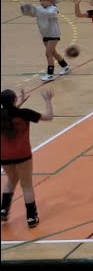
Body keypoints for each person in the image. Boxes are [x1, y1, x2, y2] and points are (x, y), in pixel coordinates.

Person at [1, 87, 53, 228]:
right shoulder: (25, 114)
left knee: (11, 180)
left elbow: (8, 114)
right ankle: (31, 218)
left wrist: (18, 103)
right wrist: (48, 101)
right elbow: (48, 116)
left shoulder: (3, 115)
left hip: (4, 156)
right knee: (27, 186)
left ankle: (3, 210)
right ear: (14, 99)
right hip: (22, 155)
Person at [21, 0, 70, 82]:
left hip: (53, 34)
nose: (41, 2)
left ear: (50, 1)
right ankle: (65, 66)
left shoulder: (53, 9)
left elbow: (48, 13)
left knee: (48, 54)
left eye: (43, 0)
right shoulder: (39, 9)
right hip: (45, 34)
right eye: (40, 0)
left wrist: (35, 8)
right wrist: (27, 10)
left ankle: (50, 74)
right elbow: (32, 14)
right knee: (53, 52)